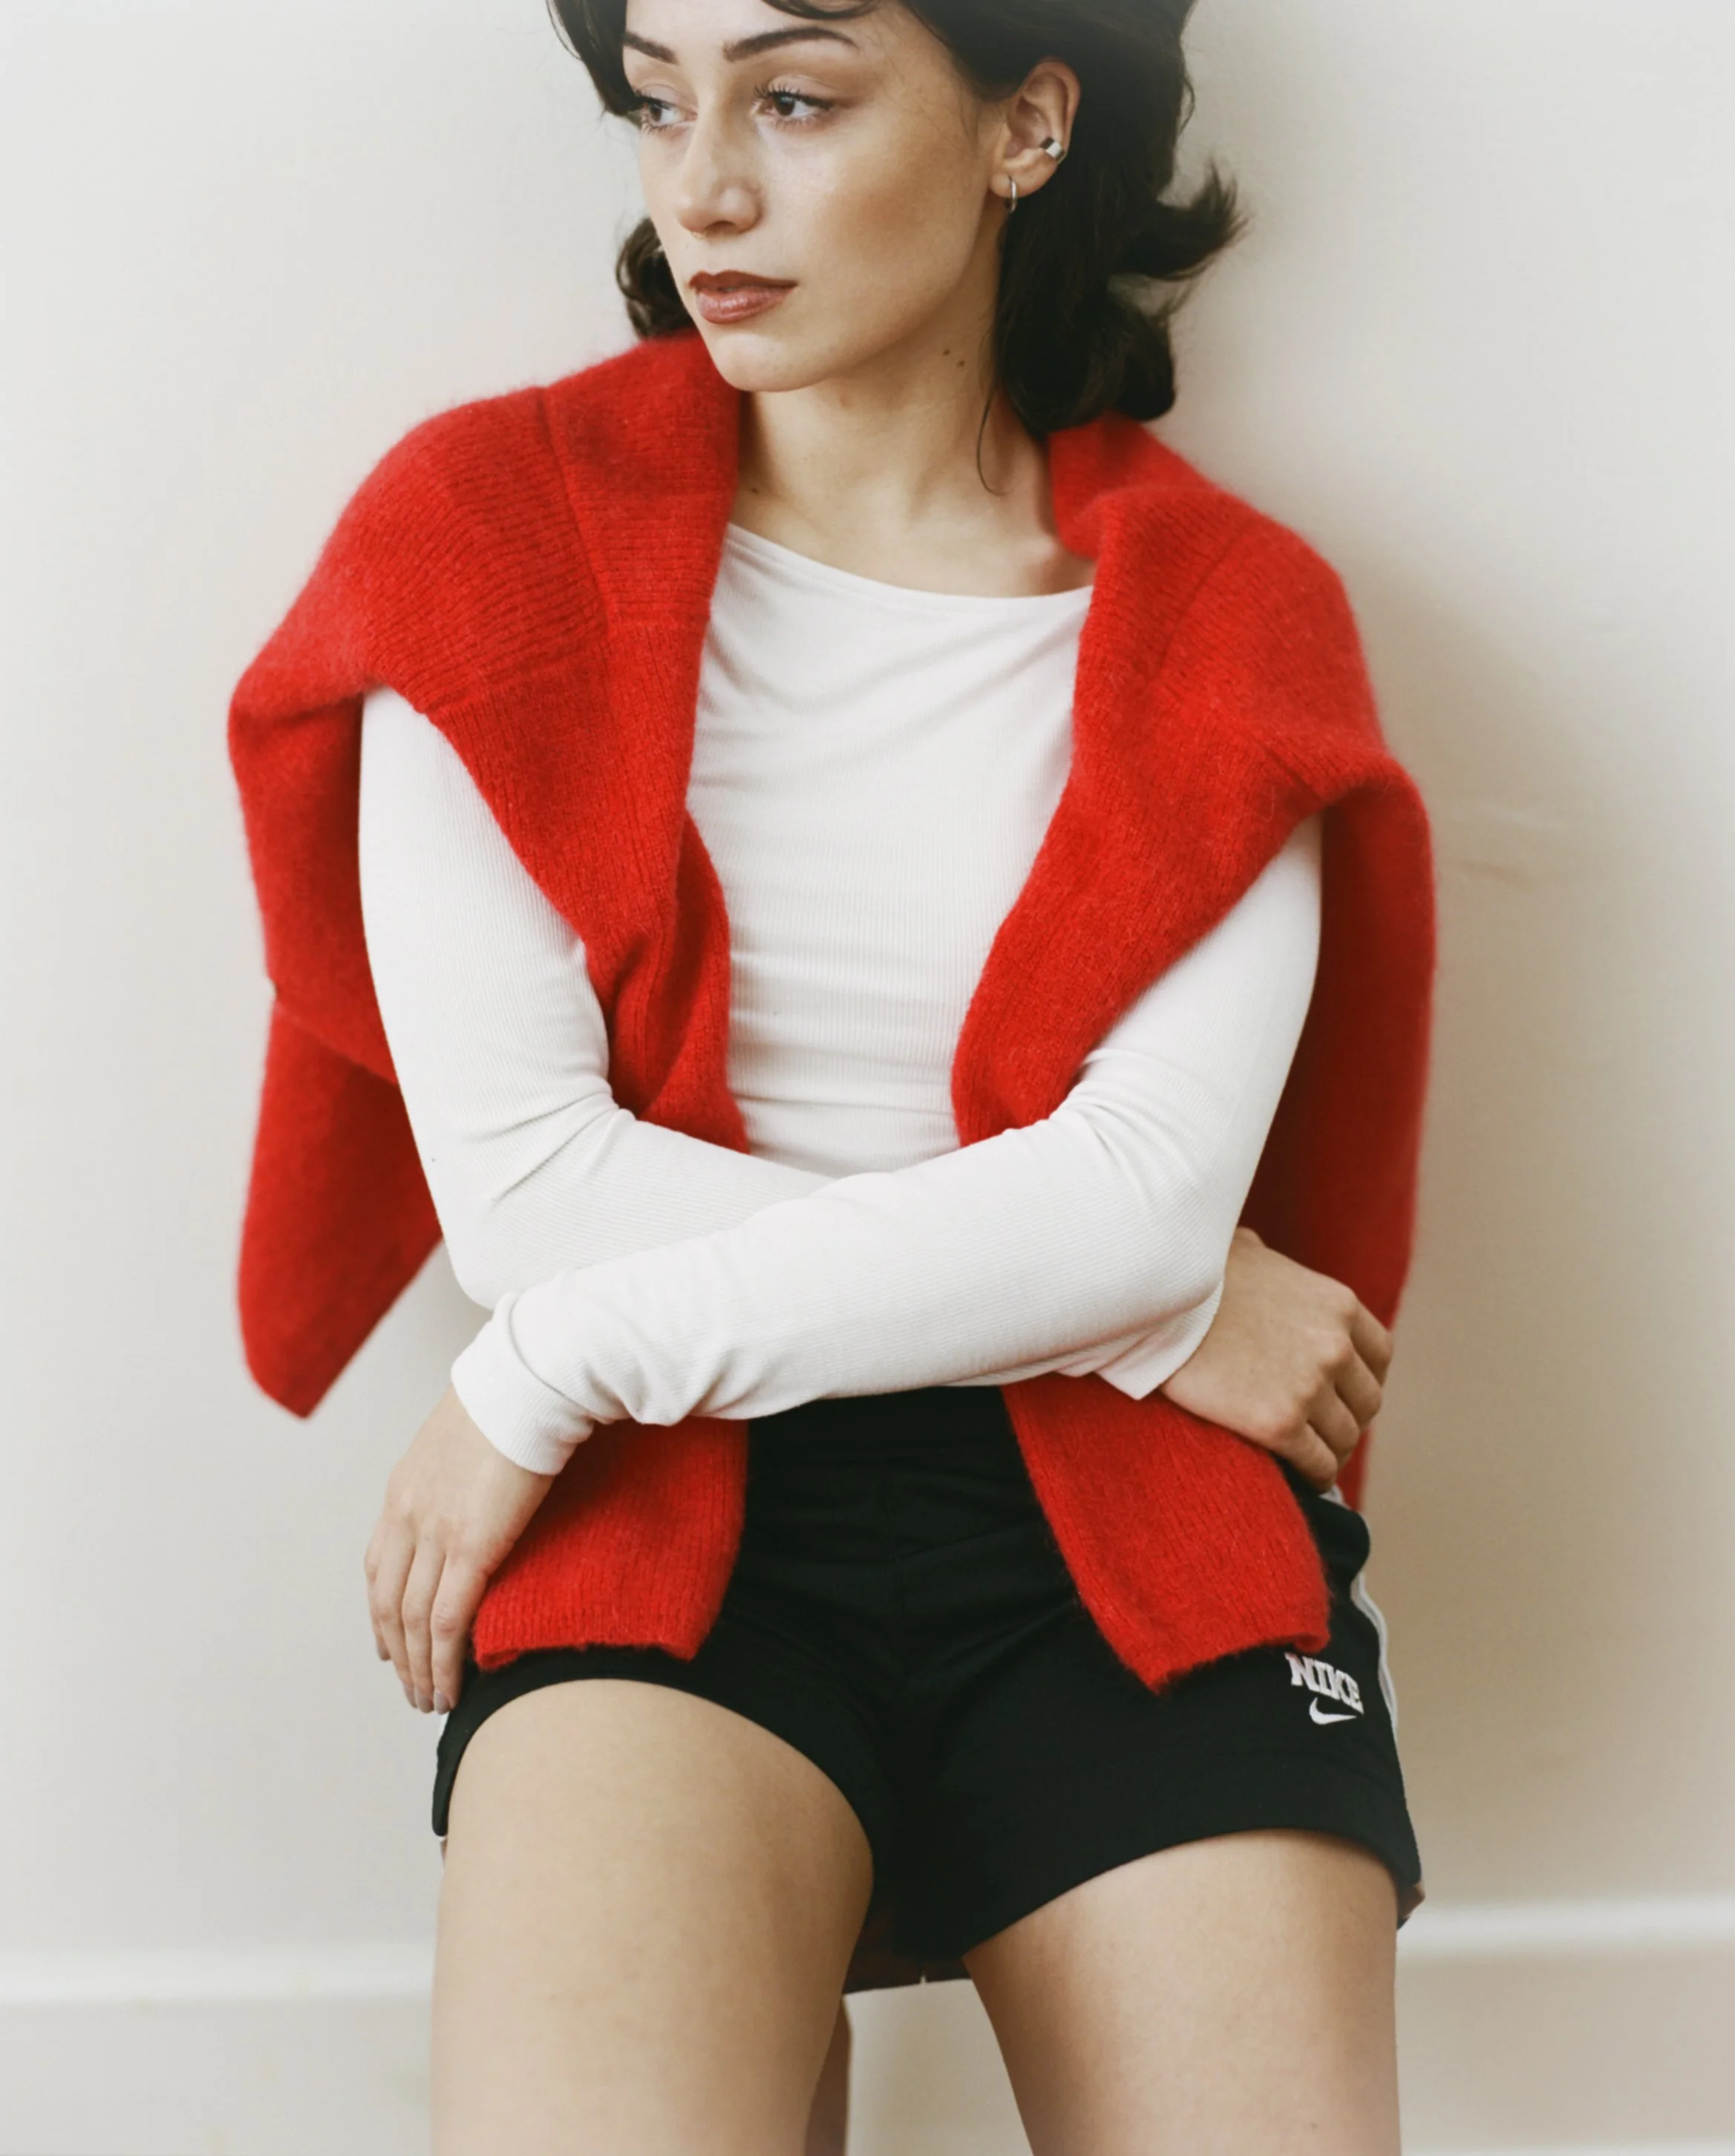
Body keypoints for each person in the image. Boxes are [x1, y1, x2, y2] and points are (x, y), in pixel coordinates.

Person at [228, 1, 1437, 2149]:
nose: (700, 187)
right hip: (678, 1498)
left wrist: (532, 1373)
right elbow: (530, 1196)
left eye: (793, 97)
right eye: (657, 98)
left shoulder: (1239, 619)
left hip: (1115, 1518)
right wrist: (1158, 1305)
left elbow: (1145, 1187)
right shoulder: (480, 536)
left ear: (1027, 124)